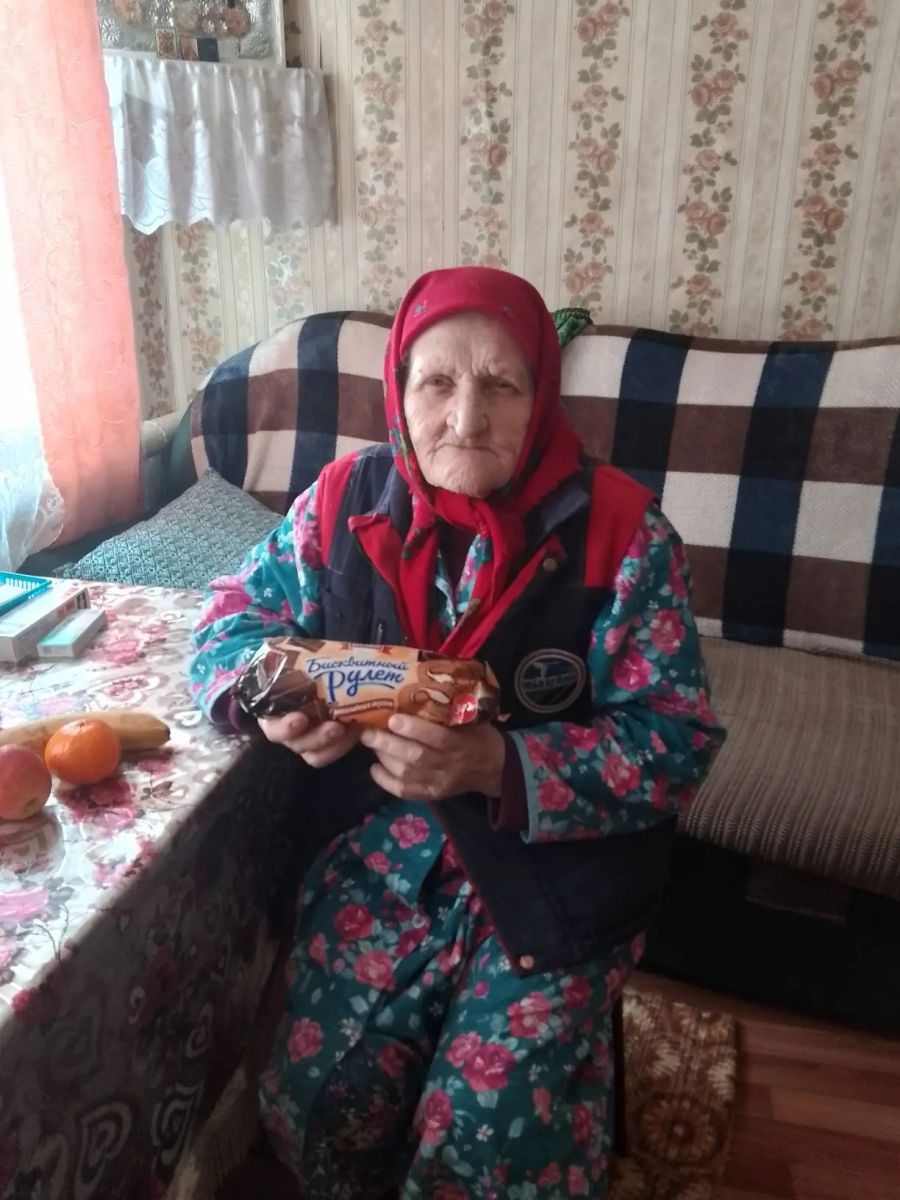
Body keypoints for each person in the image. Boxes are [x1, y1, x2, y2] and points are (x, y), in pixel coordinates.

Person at [190, 267, 725, 1199]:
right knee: (318, 1112)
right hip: (377, 855)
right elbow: (229, 621)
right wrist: (273, 698)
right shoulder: (342, 500)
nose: (466, 418)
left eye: (501, 385)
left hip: (553, 876)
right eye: (436, 381)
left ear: (542, 397)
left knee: (486, 1147)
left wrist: (500, 764)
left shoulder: (624, 534)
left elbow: (675, 740)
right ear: (399, 391)